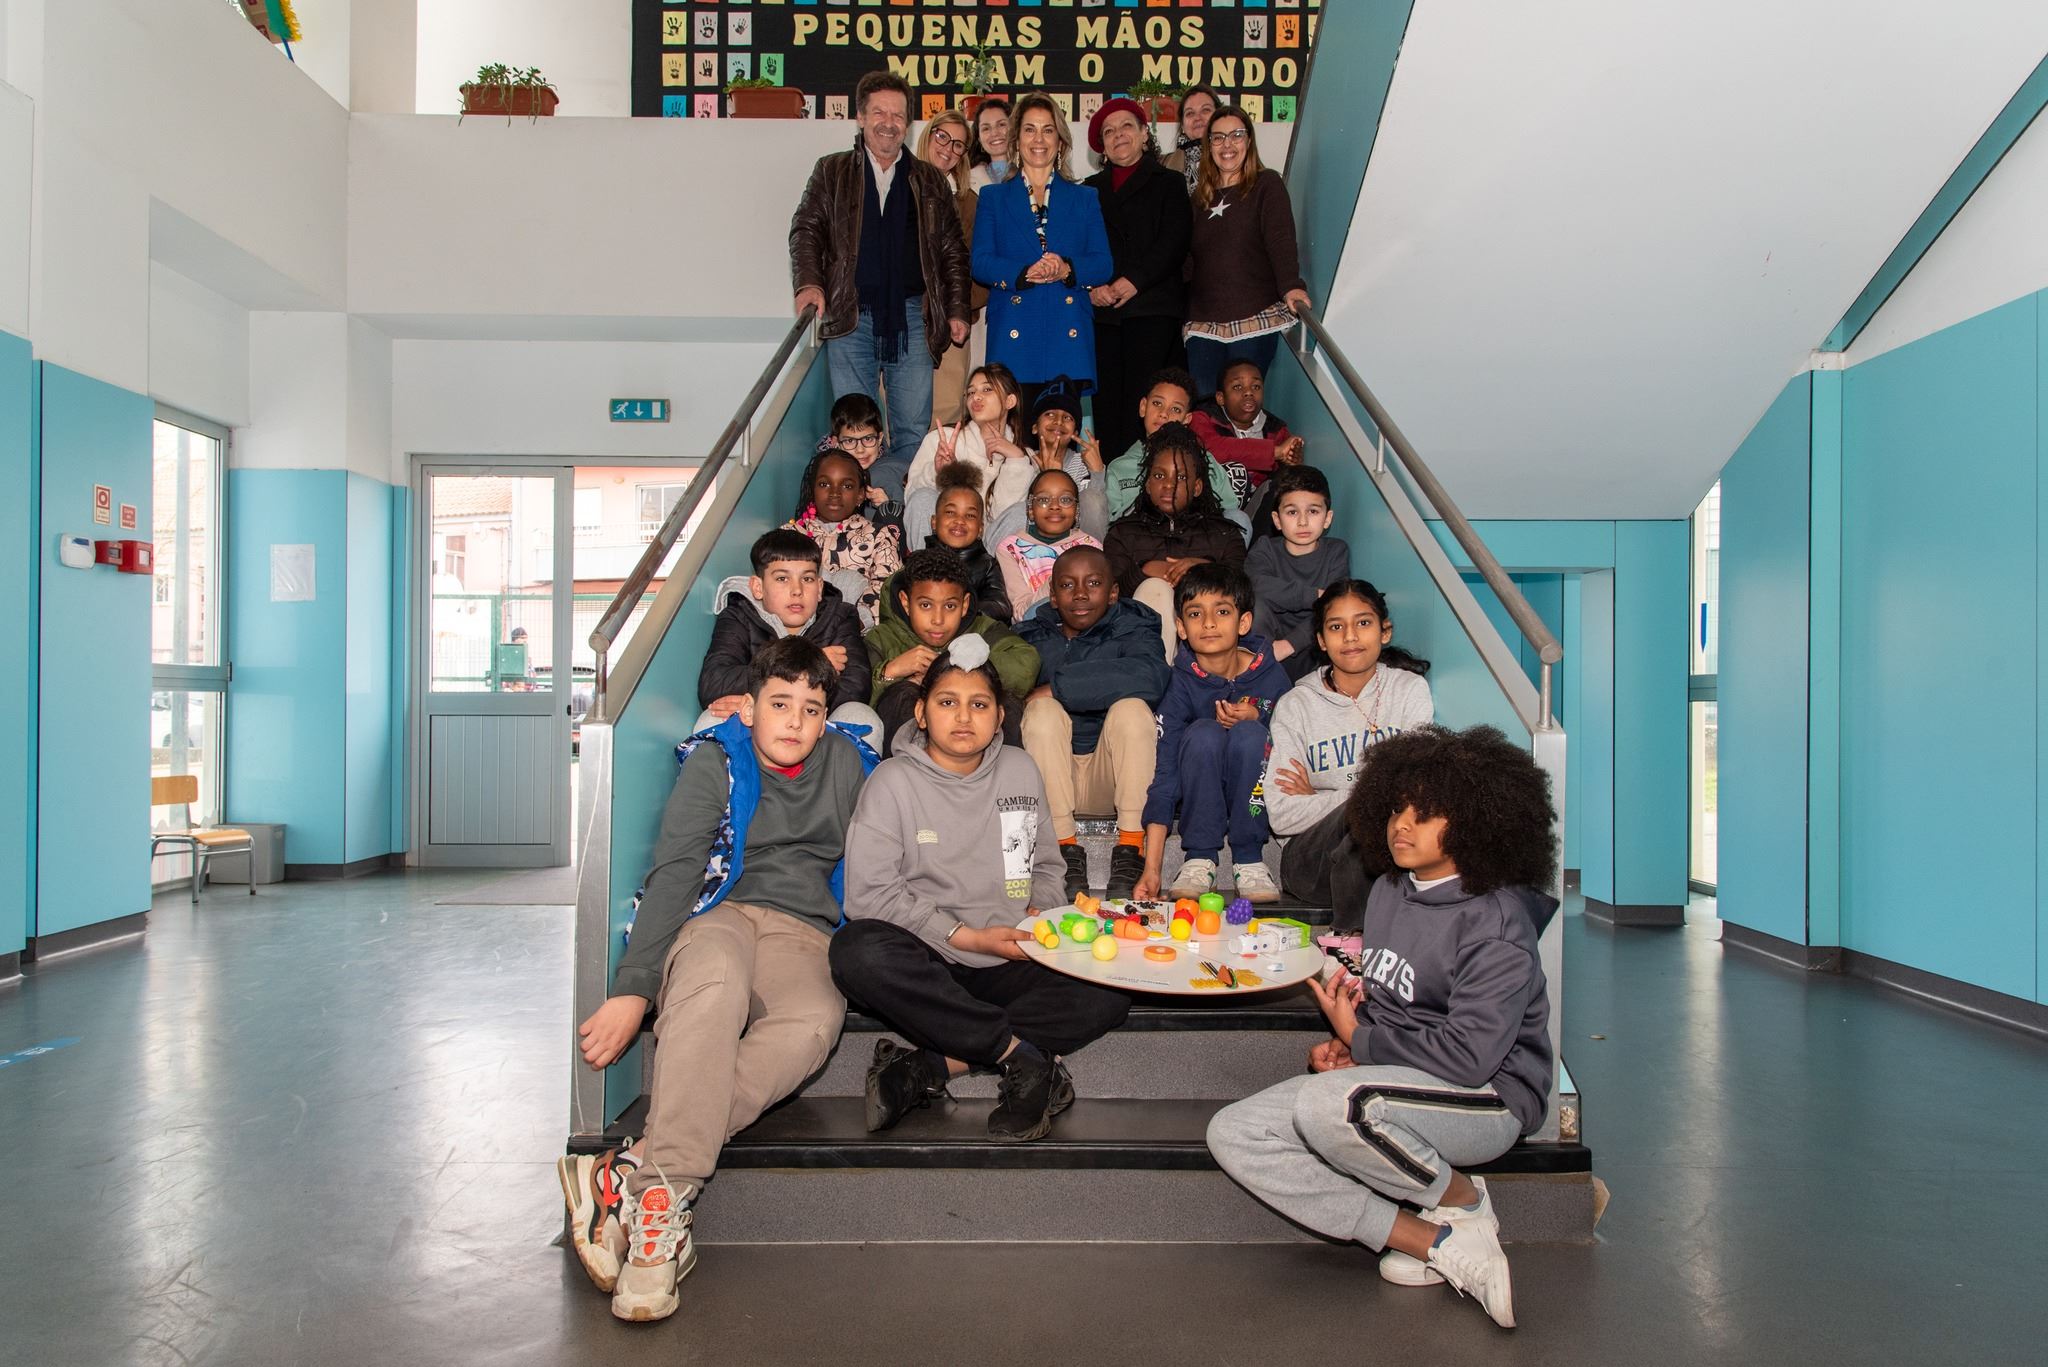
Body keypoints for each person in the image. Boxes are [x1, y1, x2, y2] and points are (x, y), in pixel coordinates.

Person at [558, 638, 880, 1322]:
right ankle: (662, 1203)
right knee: (713, 987)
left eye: (811, 709)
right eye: (780, 704)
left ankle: (628, 1168)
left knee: (814, 1023)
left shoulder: (849, 762)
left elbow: (887, 847)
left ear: (827, 717)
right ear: (749, 707)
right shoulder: (716, 760)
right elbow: (677, 871)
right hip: (719, 913)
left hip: (803, 929)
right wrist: (633, 988)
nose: (795, 721)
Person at [1206, 724, 1559, 1330]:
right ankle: (1432, 1241)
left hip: (1489, 1098)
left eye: (1427, 814)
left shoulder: (1496, 923)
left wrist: (1361, 1041)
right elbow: (1396, 1005)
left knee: (1329, 1107)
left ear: (1477, 822)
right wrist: (1357, 1052)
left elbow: (1470, 1059)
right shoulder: (1391, 890)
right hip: (1409, 1081)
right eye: (1397, 808)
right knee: (1234, 1131)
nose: (1402, 825)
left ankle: (1465, 1200)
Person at [831, 635, 1132, 1142]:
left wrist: (1041, 914)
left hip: (1013, 955)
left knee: (1112, 987)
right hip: (931, 958)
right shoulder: (891, 781)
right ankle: (1023, 1058)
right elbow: (868, 895)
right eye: (947, 702)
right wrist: (965, 936)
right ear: (921, 713)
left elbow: (1046, 866)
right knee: (855, 951)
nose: (963, 717)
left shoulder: (1020, 769)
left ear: (999, 717)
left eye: (979, 705)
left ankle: (931, 1066)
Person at [790, 71, 972, 499]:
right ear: (860, 117)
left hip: (913, 316)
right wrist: (809, 284)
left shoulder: (929, 179)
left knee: (912, 431)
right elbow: (806, 229)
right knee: (855, 429)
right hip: (850, 315)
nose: (889, 123)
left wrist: (957, 308)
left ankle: (891, 506)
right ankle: (856, 510)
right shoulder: (831, 170)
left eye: (898, 115)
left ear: (908, 123)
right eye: (879, 113)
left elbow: (952, 250)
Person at [1263, 580, 1433, 916]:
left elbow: (1419, 790)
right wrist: (1366, 798)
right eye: (1336, 627)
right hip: (1310, 862)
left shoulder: (1409, 691)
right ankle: (1354, 935)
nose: (1351, 636)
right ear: (1321, 640)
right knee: (1358, 819)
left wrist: (1320, 797)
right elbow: (1281, 815)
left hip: (1393, 850)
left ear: (1385, 632)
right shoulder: (1297, 705)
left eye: (1363, 623)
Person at [1017, 546, 1171, 900]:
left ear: (1113, 592)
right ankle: (1063, 849)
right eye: (1067, 585)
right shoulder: (1029, 637)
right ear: (1053, 595)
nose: (1081, 594)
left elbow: (1151, 676)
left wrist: (1057, 687)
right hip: (1052, 777)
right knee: (1041, 712)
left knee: (1132, 708)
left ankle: (1131, 847)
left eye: (1093, 583)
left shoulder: (1134, 626)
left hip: (1112, 775)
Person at [1132, 562, 1290, 904]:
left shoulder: (1272, 676)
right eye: (1195, 613)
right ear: (1181, 627)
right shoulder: (1178, 684)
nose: (1208, 623)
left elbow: (1293, 749)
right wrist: (1153, 868)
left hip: (1255, 796)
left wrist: (1261, 717)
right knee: (1204, 732)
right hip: (1198, 792)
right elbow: (1165, 773)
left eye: (1222, 611)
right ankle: (1199, 858)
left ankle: (1249, 859)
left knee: (1250, 734)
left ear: (1243, 622)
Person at [972, 92, 1114, 419]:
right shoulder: (993, 197)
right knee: (1016, 440)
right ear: (1016, 140)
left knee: (1062, 442)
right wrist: (1021, 273)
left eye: (1048, 130)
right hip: (1014, 337)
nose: (1039, 139)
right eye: (1030, 130)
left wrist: (1067, 269)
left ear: (1060, 141)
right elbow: (980, 262)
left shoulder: (1084, 197)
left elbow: (1103, 264)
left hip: (1067, 335)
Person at [695, 528, 883, 739]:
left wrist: (775, 697)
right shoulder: (738, 616)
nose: (797, 590)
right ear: (758, 587)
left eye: (807, 579)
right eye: (782, 578)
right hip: (759, 729)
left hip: (818, 730)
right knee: (711, 719)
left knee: (861, 717)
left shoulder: (840, 616)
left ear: (819, 587)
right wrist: (809, 664)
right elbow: (714, 683)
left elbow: (856, 688)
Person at [1084, 97, 1191, 464]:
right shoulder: (1088, 190)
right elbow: (1078, 247)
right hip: (1104, 315)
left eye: (1126, 126)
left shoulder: (1170, 183)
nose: (1119, 135)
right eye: (1109, 132)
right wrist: (1091, 288)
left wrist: (1134, 281)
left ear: (1145, 133)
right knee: (1107, 409)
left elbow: (1174, 241)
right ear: (1102, 146)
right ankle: (1111, 487)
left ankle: (1152, 484)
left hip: (1152, 311)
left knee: (1149, 408)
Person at [1184, 106, 1312, 398]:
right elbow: (1190, 259)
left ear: (1249, 141)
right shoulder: (1199, 198)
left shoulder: (1267, 184)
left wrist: (1291, 286)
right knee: (1205, 405)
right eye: (1218, 138)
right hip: (1203, 323)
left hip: (1253, 316)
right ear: (1209, 146)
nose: (1227, 144)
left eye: (1236, 135)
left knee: (1242, 405)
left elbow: (1280, 238)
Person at [864, 546, 1039, 753]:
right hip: (915, 762)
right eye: (926, 605)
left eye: (949, 606)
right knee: (902, 693)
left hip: (980, 750)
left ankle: (1004, 772)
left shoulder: (984, 629)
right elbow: (855, 698)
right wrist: (890, 672)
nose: (938, 620)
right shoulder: (882, 638)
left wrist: (959, 664)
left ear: (964, 605)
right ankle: (911, 771)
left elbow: (1026, 664)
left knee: (1004, 701)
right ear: (906, 602)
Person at [1104, 421, 1249, 660]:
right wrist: (1144, 571)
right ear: (1147, 484)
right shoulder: (1122, 533)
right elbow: (1109, 597)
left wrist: (1204, 570)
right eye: (1159, 475)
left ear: (1197, 487)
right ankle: (1158, 672)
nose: (1169, 484)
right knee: (1156, 589)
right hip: (1139, 647)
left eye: (1181, 477)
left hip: (1208, 643)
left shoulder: (1224, 534)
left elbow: (1243, 593)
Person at [901, 362, 1030, 552]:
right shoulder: (942, 440)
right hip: (939, 550)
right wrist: (939, 473)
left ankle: (991, 572)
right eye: (970, 392)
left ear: (1010, 401)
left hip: (987, 553)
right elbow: (914, 501)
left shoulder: (1024, 458)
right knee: (922, 496)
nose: (976, 397)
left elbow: (1002, 519)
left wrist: (1015, 461)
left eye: (987, 389)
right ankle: (925, 568)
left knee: (1021, 512)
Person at [1244, 464, 1351, 678]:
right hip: (1265, 650)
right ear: (1277, 520)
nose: (1303, 522)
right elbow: (1256, 587)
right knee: (1254, 605)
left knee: (1339, 614)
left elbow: (1333, 607)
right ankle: (1259, 685)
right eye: (1292, 512)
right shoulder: (1265, 549)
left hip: (1313, 649)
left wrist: (1289, 645)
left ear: (1327, 518)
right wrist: (1315, 595)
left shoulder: (1336, 552)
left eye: (1313, 511)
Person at [918, 109, 988, 430]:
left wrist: (953, 308)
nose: (948, 148)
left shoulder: (969, 202)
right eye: (942, 137)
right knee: (898, 417)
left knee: (945, 418)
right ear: (928, 135)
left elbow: (978, 269)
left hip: (951, 326)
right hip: (905, 322)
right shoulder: (897, 189)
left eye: (958, 144)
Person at [1102, 368, 1242, 522]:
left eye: (1175, 409)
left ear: (1186, 419)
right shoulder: (1119, 467)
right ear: (1143, 407)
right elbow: (1112, 524)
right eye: (1157, 403)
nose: (1164, 414)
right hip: (1141, 534)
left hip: (1195, 533)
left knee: (1239, 518)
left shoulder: (1205, 462)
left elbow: (1229, 509)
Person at [785, 449, 903, 629]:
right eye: (824, 484)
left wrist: (856, 621)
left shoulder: (878, 535)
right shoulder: (790, 534)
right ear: (813, 490)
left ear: (860, 495)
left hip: (855, 630)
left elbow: (886, 587)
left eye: (847, 486)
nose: (835, 493)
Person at [983, 383, 1109, 546]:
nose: (1058, 421)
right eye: (1049, 414)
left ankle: (1091, 560)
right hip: (1025, 549)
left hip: (1074, 549)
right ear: (1035, 427)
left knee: (1092, 499)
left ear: (1075, 432)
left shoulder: (1084, 464)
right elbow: (1004, 514)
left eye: (1067, 417)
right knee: (1020, 510)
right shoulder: (1020, 459)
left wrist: (1097, 473)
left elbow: (1093, 515)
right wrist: (1047, 479)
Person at [1190, 359, 1306, 508]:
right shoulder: (1202, 418)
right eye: (1238, 387)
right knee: (1235, 472)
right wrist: (1274, 452)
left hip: (1255, 508)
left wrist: (1292, 461)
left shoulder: (1276, 429)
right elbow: (1213, 450)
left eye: (1256, 386)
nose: (1249, 392)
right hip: (1208, 502)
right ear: (1221, 398)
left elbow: (1286, 480)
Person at [992, 467, 1102, 619]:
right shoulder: (1010, 548)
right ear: (1030, 510)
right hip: (1036, 627)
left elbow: (1100, 603)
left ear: (1076, 510)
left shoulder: (1091, 547)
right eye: (1043, 500)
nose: (1055, 506)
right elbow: (1021, 612)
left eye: (1065, 500)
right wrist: (1056, 581)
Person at [929, 461, 1012, 624]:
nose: (960, 520)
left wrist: (960, 609)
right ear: (934, 521)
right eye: (950, 512)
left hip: (972, 630)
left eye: (970, 515)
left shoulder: (987, 564)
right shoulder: (920, 561)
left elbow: (1001, 606)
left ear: (980, 529)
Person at [818, 391, 901, 530]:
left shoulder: (888, 473)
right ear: (835, 443)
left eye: (868, 439)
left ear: (880, 438)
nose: (860, 450)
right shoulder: (823, 469)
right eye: (850, 441)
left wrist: (887, 506)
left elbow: (904, 519)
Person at [1161, 84, 1221, 195]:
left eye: (1205, 110)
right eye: (1190, 113)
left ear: (1219, 117)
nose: (1197, 118)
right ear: (1182, 126)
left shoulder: (1234, 158)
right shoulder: (1162, 165)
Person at [967, 96, 1013, 192]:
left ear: (1014, 128)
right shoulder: (967, 181)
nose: (994, 133)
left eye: (1001, 124)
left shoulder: (1032, 173)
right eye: (986, 128)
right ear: (979, 139)